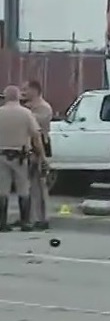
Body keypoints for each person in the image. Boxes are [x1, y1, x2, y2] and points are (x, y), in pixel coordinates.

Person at [0, 85, 46, 232]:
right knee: (23, 189)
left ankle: (2, 222)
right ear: (18, 96)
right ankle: (25, 222)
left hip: (1, 155)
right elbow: (36, 136)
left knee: (3, 189)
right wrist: (42, 156)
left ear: (6, 97)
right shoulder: (26, 114)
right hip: (21, 156)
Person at [21, 80, 53, 230]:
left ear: (35, 90)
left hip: (40, 148)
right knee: (29, 186)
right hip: (29, 148)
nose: (23, 92)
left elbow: (34, 127)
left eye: (26, 90)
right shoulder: (28, 108)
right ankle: (31, 217)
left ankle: (43, 218)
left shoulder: (43, 108)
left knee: (40, 186)